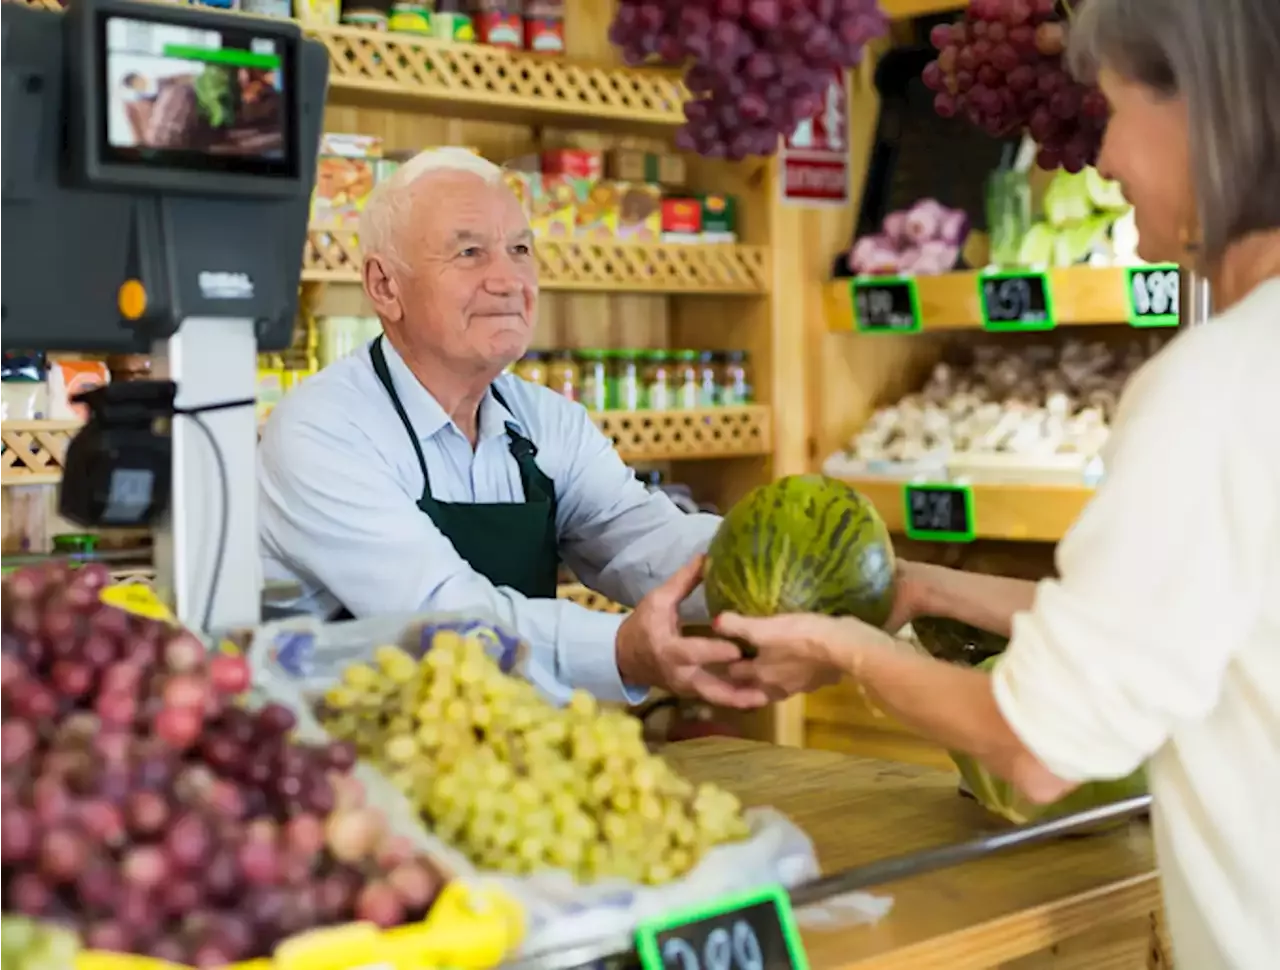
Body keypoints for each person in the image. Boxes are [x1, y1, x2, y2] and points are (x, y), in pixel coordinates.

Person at [715, 1, 1280, 967]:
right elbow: (1170, 625)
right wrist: (930, 590)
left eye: (1113, 113)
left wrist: (844, 649)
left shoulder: (1214, 386)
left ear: (1204, 111)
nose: (1102, 160)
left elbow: (1036, 748)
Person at [259, 148, 764, 710]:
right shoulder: (324, 428)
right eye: (469, 252)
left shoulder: (546, 421)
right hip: (342, 769)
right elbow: (437, 619)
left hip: (498, 761)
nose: (508, 279)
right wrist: (620, 649)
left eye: (520, 250)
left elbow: (644, 541)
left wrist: (783, 568)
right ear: (384, 286)